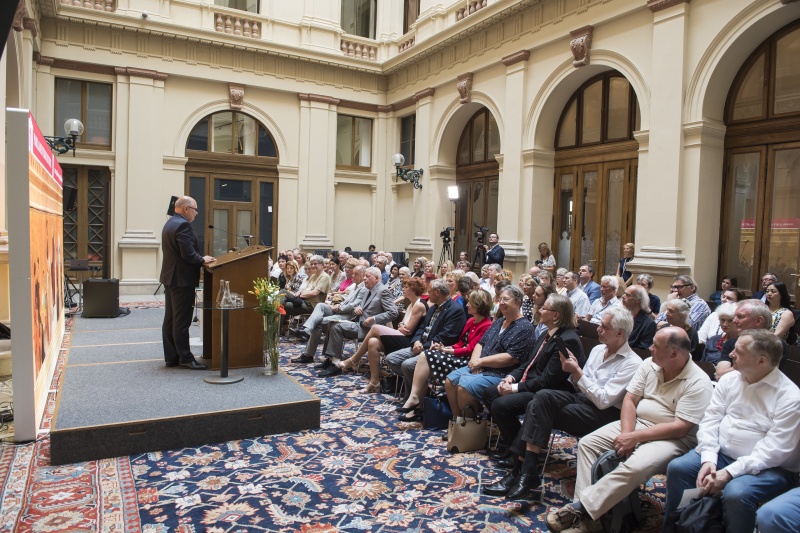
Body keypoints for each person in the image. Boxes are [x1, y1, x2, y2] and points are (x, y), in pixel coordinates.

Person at [545, 328, 713, 533]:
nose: (650, 348)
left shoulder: (699, 382)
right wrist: (627, 434)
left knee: (635, 466)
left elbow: (681, 427)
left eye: (656, 345)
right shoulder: (649, 364)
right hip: (639, 424)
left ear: (674, 353)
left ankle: (581, 510)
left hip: (673, 438)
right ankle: (589, 517)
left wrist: (634, 437)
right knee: (588, 444)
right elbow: (630, 400)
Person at [484, 307, 642, 500]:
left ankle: (520, 471)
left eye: (604, 326)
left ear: (620, 334)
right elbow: (578, 386)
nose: (598, 328)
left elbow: (603, 401)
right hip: (582, 399)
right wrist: (572, 371)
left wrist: (577, 371)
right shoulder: (598, 350)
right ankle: (525, 471)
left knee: (538, 407)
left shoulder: (632, 363)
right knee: (542, 398)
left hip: (604, 415)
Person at [664, 330, 800, 533]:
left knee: (736, 492)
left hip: (771, 468)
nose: (731, 354)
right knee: (679, 468)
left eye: (739, 351)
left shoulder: (790, 398)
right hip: (722, 455)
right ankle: (675, 527)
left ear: (761, 361)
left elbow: (773, 452)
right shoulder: (729, 380)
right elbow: (710, 419)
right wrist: (709, 458)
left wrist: (729, 473)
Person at [482, 293, 584, 497]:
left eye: (544, 308)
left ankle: (518, 457)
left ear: (555, 315)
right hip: (532, 383)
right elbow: (528, 364)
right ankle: (515, 447)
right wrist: (511, 377)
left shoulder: (567, 340)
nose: (539, 310)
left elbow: (548, 381)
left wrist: (515, 388)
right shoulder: (547, 333)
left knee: (501, 405)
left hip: (550, 391)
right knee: (490, 393)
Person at [395, 289, 493, 422]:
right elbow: (460, 343)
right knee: (426, 355)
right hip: (458, 355)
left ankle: (416, 401)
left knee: (427, 358)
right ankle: (416, 400)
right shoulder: (471, 321)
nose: (467, 305)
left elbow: (470, 349)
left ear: (479, 305)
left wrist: (448, 351)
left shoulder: (487, 325)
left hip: (468, 361)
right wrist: (445, 348)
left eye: (471, 303)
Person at [444, 285, 535, 418]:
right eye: (500, 299)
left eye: (506, 299)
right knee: (450, 380)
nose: (502, 302)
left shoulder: (525, 327)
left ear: (518, 302)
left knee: (465, 387)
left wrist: (481, 362)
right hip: (482, 366)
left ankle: (469, 424)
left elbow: (511, 358)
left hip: (501, 373)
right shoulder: (499, 322)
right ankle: (457, 420)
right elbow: (481, 343)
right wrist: (474, 362)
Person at [330, 276, 427, 391]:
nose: (403, 289)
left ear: (414, 289)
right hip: (402, 336)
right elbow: (402, 325)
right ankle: (374, 382)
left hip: (411, 342)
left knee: (375, 327)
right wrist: (402, 326)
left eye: (406, 287)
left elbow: (408, 330)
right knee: (373, 342)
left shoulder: (419, 305)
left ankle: (354, 359)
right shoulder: (411, 304)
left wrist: (402, 326)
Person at [159, 196, 216, 370]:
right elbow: (188, 255)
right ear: (186, 209)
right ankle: (185, 357)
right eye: (195, 209)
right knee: (181, 321)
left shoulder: (170, 223)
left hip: (171, 278)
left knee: (170, 319)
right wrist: (203, 259)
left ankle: (172, 357)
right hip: (182, 280)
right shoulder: (183, 225)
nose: (196, 213)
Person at [385, 279, 466, 400]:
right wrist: (416, 341)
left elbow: (447, 336)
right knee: (391, 359)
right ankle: (422, 391)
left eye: (430, 291)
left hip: (435, 350)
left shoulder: (455, 310)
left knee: (408, 366)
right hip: (420, 345)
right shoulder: (433, 307)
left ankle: (413, 398)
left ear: (437, 292)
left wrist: (424, 346)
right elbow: (422, 327)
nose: (427, 294)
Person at [288, 265, 368, 364]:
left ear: (363, 275)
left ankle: (309, 353)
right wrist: (337, 305)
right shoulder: (355, 286)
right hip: (341, 309)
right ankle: (307, 330)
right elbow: (347, 300)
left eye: (356, 274)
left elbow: (354, 306)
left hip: (349, 315)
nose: (353, 276)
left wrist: (339, 308)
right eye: (353, 273)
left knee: (318, 322)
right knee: (321, 305)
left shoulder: (364, 288)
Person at [715, 300, 774, 379]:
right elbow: (719, 376)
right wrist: (749, 366)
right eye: (735, 316)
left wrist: (740, 366)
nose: (734, 321)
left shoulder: (775, 346)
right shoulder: (731, 342)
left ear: (758, 321)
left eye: (740, 317)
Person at [621, 284, 655, 350]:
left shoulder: (648, 324)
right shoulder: (618, 315)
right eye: (624, 293)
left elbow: (642, 350)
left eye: (627, 295)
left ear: (638, 300)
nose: (623, 296)